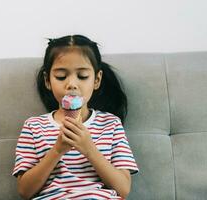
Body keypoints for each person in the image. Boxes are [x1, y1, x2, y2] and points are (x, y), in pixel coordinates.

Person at [12, 35, 139, 200]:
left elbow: (123, 189)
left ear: (97, 79)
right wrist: (57, 150)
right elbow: (24, 191)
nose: (71, 84)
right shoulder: (34, 126)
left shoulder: (110, 124)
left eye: (82, 76)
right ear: (47, 80)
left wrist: (89, 149)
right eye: (61, 77)